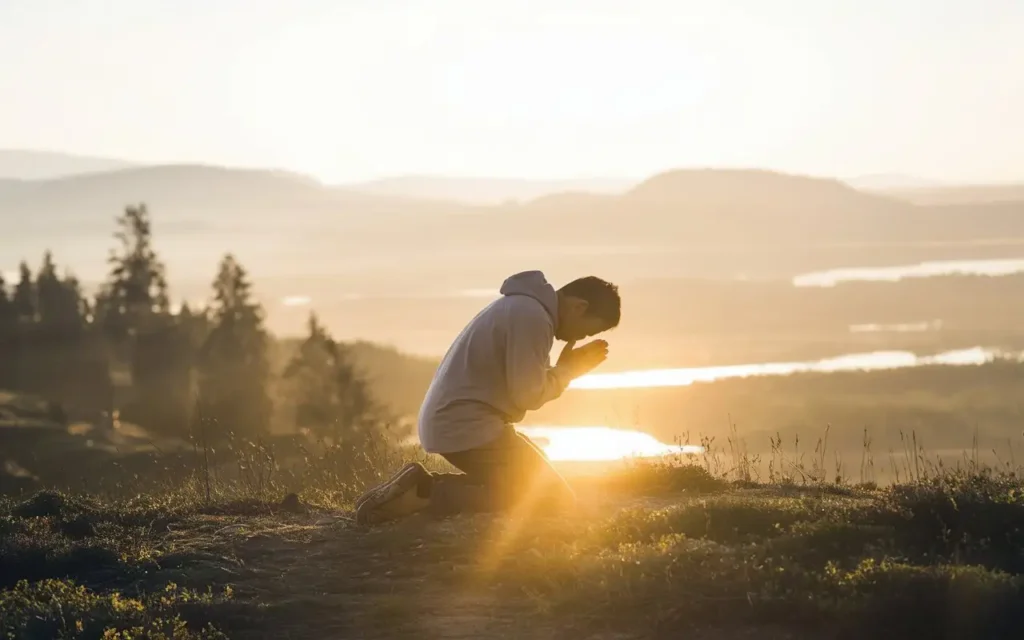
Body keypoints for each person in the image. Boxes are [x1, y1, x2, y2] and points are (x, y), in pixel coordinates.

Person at [355, 270, 621, 525]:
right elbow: (527, 395)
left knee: (536, 482)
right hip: (466, 427)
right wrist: (567, 372)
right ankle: (425, 494)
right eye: (585, 331)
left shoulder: (523, 308)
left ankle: (419, 486)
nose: (577, 338)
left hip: (457, 423)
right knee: (551, 499)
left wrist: (560, 371)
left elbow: (521, 382)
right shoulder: (534, 317)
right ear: (579, 307)